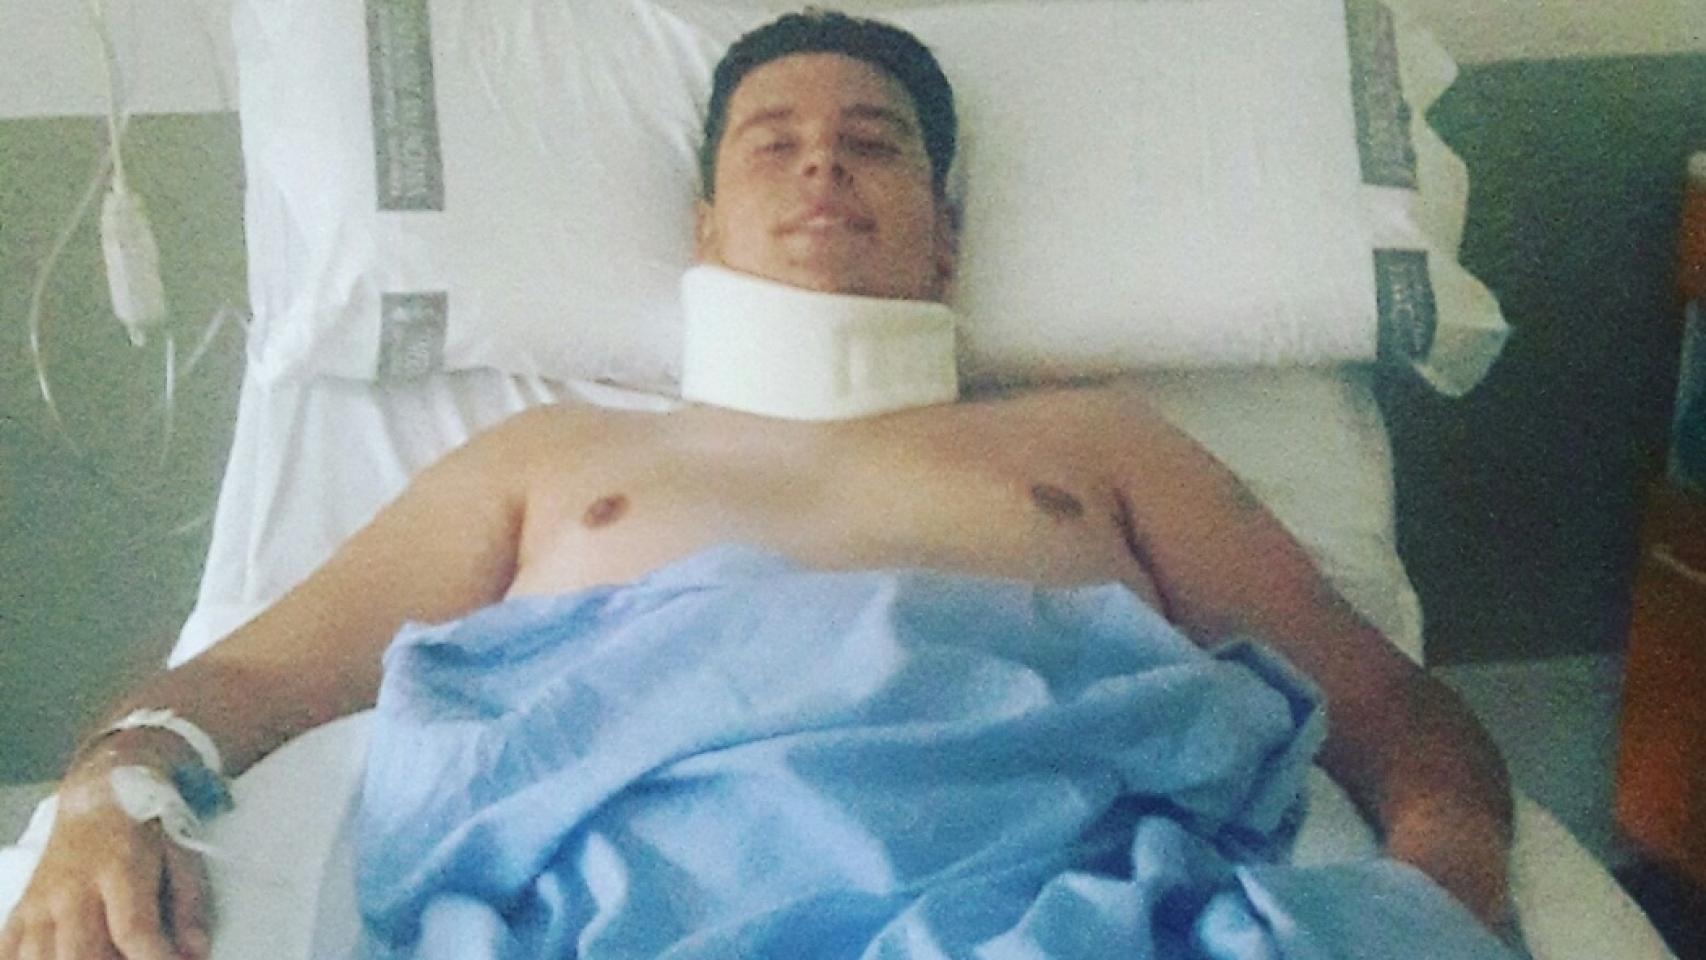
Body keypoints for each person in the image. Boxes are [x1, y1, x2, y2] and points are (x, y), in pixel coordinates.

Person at [0, 11, 1514, 960]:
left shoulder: (1099, 447)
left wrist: (1443, 881)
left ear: (946, 234)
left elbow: (1385, 706)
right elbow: (252, 677)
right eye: (771, 144)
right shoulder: (549, 463)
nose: (820, 169)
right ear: (705, 227)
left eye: (874, 146)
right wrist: (111, 792)